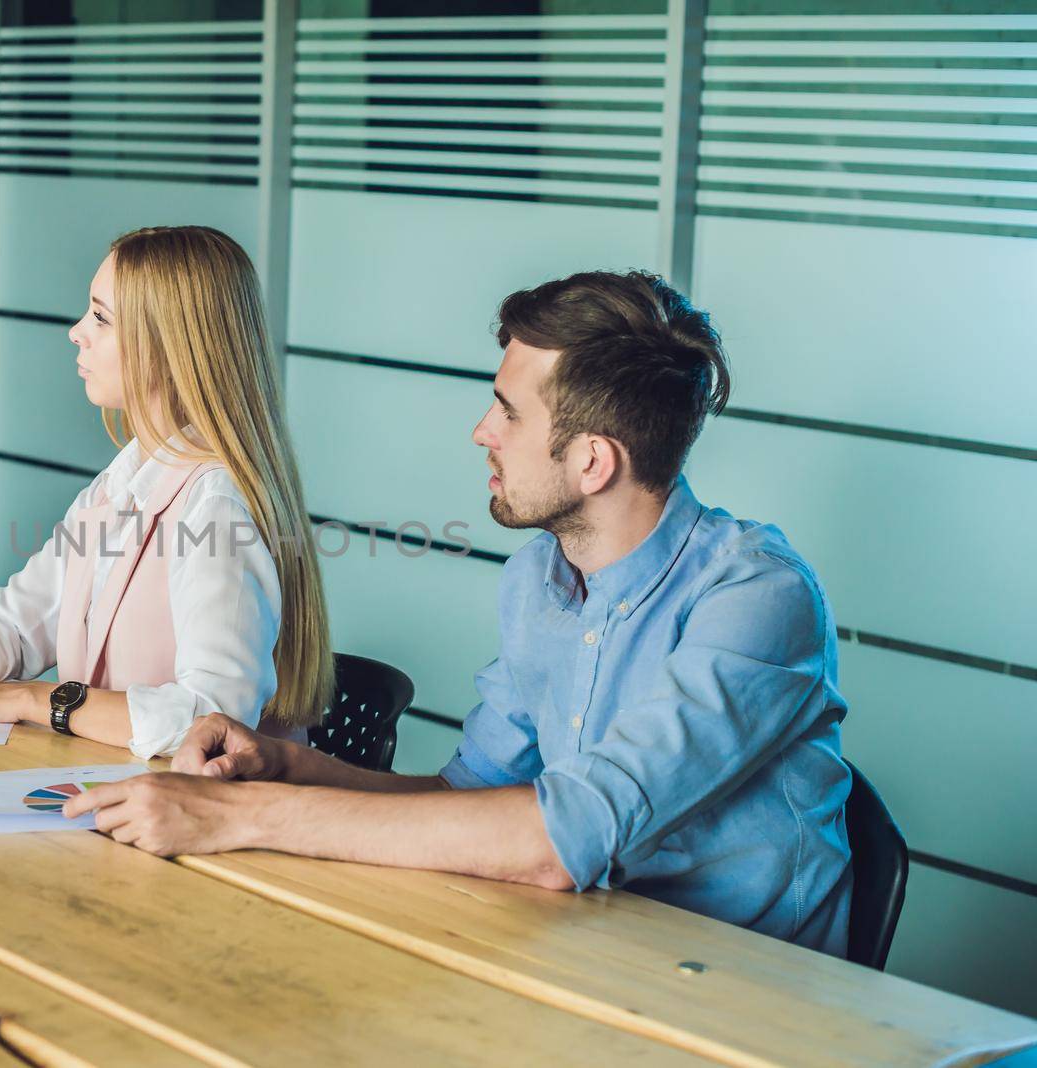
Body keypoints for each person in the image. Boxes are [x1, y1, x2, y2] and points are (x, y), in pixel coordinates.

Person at [67, 269, 854, 955]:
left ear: (592, 460)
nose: (483, 432)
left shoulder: (757, 598)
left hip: (745, 1009)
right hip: (581, 954)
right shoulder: (538, 580)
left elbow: (556, 840)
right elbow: (465, 799)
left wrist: (242, 819)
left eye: (508, 412)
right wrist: (287, 767)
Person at [0, 226, 333, 759]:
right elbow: (17, 623)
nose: (77, 332)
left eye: (101, 317)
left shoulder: (216, 505)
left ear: (168, 344)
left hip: (210, 822)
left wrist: (34, 700)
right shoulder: (124, 481)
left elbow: (215, 719)